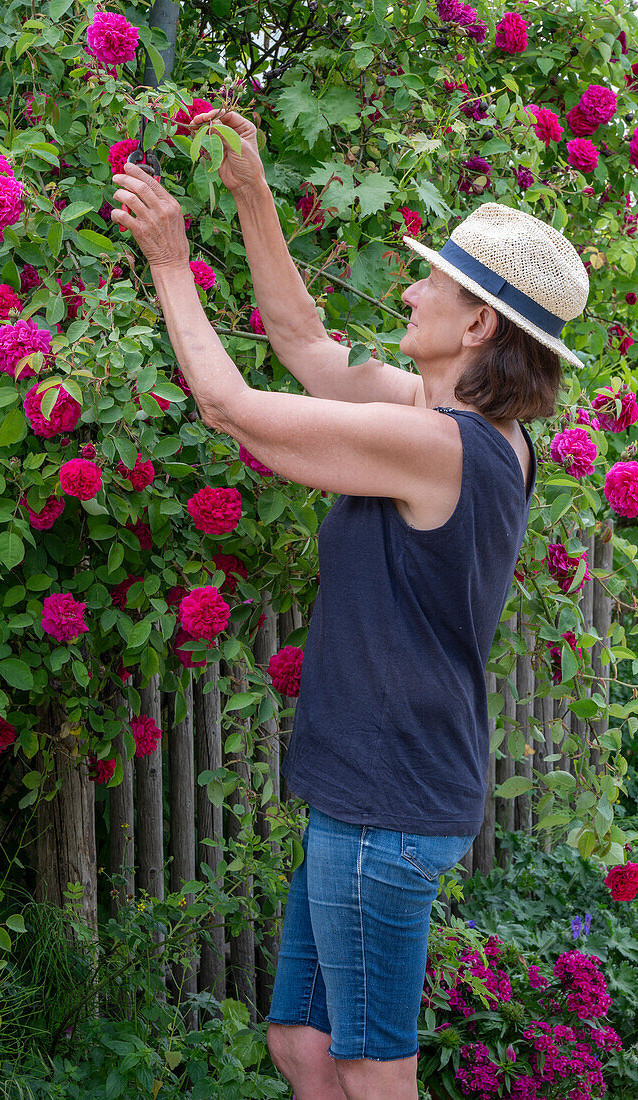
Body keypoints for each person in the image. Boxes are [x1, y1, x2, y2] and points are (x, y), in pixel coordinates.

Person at [179, 109, 589, 1100]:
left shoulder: (443, 445)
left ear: (478, 324)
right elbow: (303, 344)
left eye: (432, 282)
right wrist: (250, 193)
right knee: (304, 1048)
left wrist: (164, 259)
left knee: (370, 1064)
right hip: (379, 794)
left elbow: (235, 408)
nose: (410, 287)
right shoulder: (445, 422)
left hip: (385, 805)